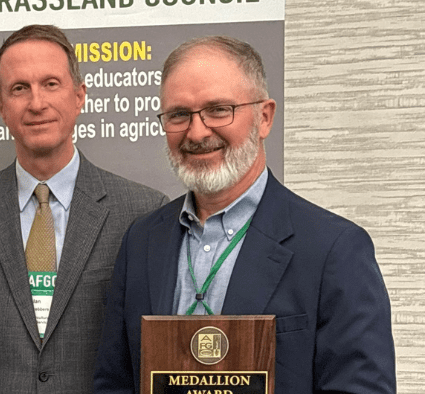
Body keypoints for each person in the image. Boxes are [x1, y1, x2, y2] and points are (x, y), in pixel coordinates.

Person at [93, 36, 395, 393]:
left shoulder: (335, 249)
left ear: (264, 117)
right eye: (179, 115)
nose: (197, 131)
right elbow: (114, 383)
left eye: (219, 109)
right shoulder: (141, 241)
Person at [0, 24, 168, 393]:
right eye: (19, 88)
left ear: (79, 96)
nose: (36, 103)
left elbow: (146, 353)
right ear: (0, 107)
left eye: (51, 84)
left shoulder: (141, 212)